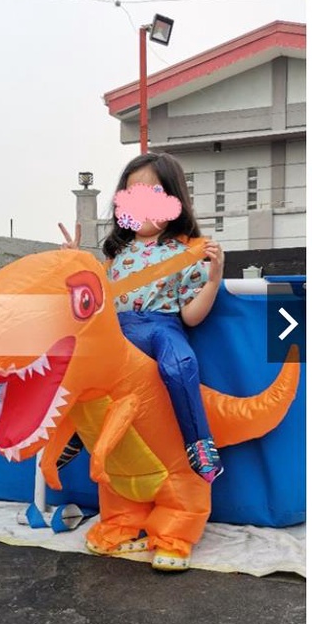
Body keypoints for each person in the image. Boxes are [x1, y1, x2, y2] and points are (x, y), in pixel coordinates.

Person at [59, 151, 225, 483]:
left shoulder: (186, 256)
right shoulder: (115, 258)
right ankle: (77, 432)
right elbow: (92, 299)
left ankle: (199, 441)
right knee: (80, 360)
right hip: (117, 331)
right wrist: (75, 259)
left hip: (163, 328)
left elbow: (191, 317)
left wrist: (214, 279)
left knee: (180, 363)